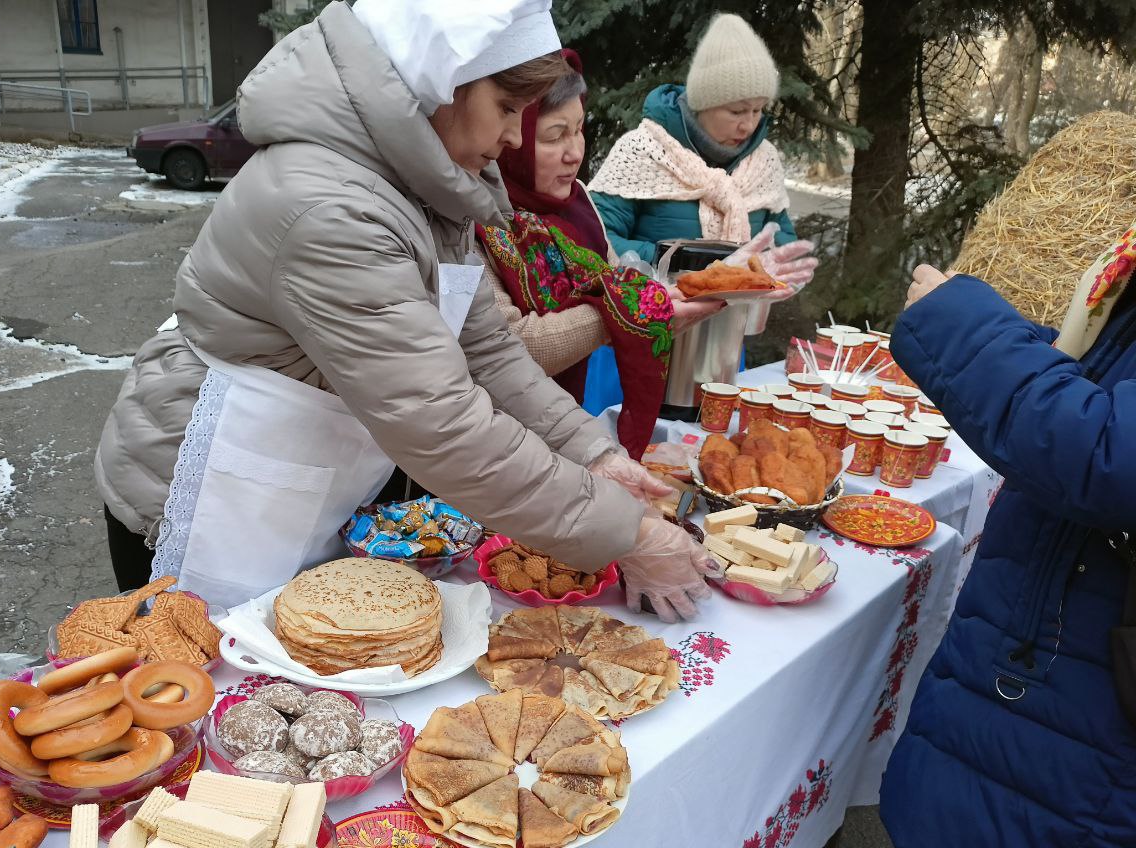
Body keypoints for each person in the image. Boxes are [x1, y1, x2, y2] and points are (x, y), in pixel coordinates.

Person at [93, 0, 712, 623]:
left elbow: (488, 353)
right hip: (207, 496)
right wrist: (628, 535)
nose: (514, 137)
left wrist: (593, 454)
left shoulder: (423, 189)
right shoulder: (333, 207)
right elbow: (439, 421)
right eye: (507, 108)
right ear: (441, 83)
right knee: (203, 670)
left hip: (293, 481)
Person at [879, 225, 1136, 848]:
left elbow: (1110, 455)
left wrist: (959, 324)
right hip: (1084, 640)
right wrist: (1020, 345)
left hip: (1110, 665)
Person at [478, 51, 816, 453]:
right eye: (554, 136)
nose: (575, 152)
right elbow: (511, 348)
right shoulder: (475, 219)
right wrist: (629, 312)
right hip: (494, 443)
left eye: (579, 130)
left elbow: (625, 296)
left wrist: (719, 278)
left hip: (566, 429)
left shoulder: (577, 204)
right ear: (510, 136)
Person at [584, 13, 808, 411]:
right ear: (704, 102)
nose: (749, 124)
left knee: (707, 440)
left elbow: (780, 237)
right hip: (640, 334)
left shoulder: (764, 162)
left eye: (758, 110)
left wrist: (770, 270)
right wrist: (675, 265)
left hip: (720, 344)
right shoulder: (643, 150)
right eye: (737, 111)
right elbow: (596, 236)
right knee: (623, 439)